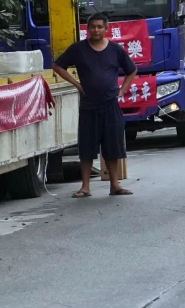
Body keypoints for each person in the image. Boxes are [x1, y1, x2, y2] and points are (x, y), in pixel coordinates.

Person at [52, 12, 138, 198]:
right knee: (87, 146)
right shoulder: (78, 49)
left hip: (110, 103)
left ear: (106, 29)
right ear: (87, 29)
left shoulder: (115, 49)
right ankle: (85, 187)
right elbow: (58, 66)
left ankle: (115, 185)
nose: (96, 30)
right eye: (93, 27)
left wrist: (122, 91)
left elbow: (132, 70)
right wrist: (77, 85)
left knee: (112, 145)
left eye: (100, 27)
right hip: (88, 105)